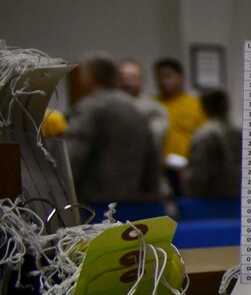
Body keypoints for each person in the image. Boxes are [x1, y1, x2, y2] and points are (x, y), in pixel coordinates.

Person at [61, 53, 162, 206]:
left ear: (90, 75)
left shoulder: (90, 107)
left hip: (95, 198)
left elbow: (74, 154)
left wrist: (62, 187)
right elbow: (152, 154)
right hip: (134, 197)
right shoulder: (136, 108)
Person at [182, 89, 240, 200]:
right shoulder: (239, 131)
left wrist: (189, 191)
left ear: (204, 107)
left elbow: (198, 172)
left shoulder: (205, 134)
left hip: (210, 199)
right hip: (236, 197)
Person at [152, 57, 201, 163]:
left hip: (187, 166)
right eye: (160, 77)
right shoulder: (152, 105)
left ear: (181, 78)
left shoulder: (196, 105)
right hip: (159, 167)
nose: (164, 82)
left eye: (168, 76)